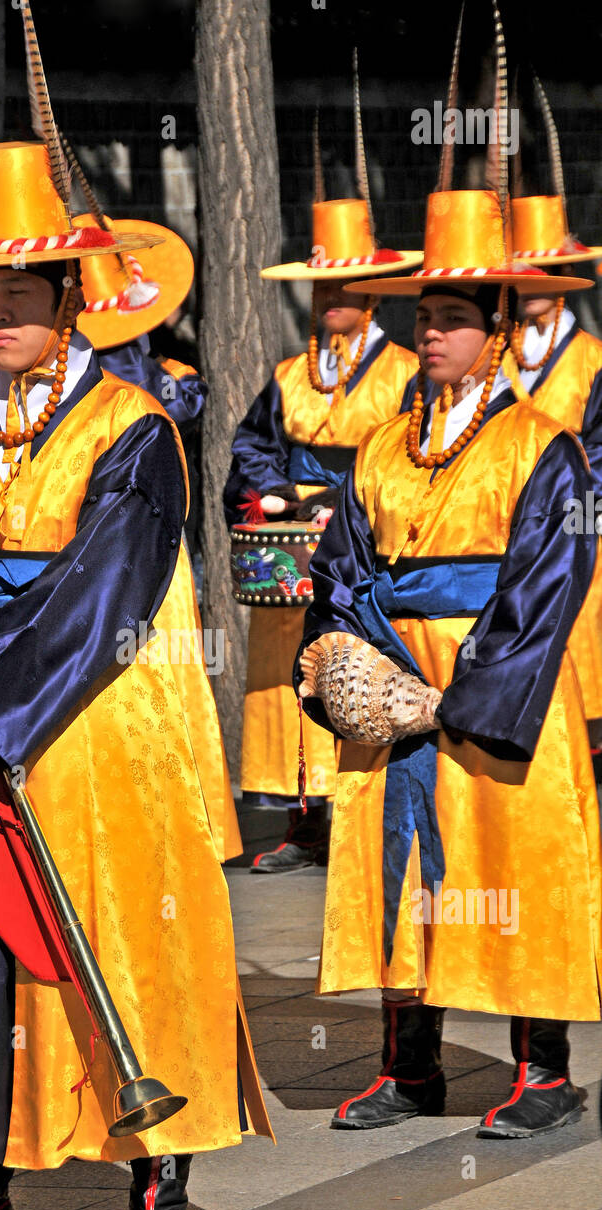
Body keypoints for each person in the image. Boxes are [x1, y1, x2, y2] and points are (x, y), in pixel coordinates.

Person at [0, 8, 272, 1210]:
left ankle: (157, 1194)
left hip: (94, 723)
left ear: (67, 303)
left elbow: (107, 593)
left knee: (119, 945)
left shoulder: (134, 433)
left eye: (16, 295)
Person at [295, 165, 600, 1140]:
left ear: (497, 326)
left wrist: (457, 696)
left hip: (495, 688)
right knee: (400, 869)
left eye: (455, 314)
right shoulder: (380, 447)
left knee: (512, 864)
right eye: (425, 313)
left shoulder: (539, 445)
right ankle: (409, 1064)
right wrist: (360, 667)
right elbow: (342, 567)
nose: (433, 331)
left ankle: (541, 1069)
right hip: (392, 682)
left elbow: (544, 584)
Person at [225, 70, 422, 873]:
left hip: (357, 537)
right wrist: (269, 491)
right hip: (288, 536)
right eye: (320, 288)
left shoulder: (405, 371)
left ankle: (359, 806)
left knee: (353, 655)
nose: (328, 299)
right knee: (286, 676)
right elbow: (251, 444)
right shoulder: (285, 373)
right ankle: (302, 822)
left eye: (342, 287)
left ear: (371, 294)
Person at [66, 168, 239, 861]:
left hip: (151, 561)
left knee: (150, 693)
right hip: (91, 566)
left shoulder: (159, 382)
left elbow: (181, 406)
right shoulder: (148, 377)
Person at [501, 138, 602, 747]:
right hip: (499, 529)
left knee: (582, 671)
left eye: (543, 271)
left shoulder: (593, 362)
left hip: (577, 532)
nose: (531, 284)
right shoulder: (493, 358)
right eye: (521, 272)